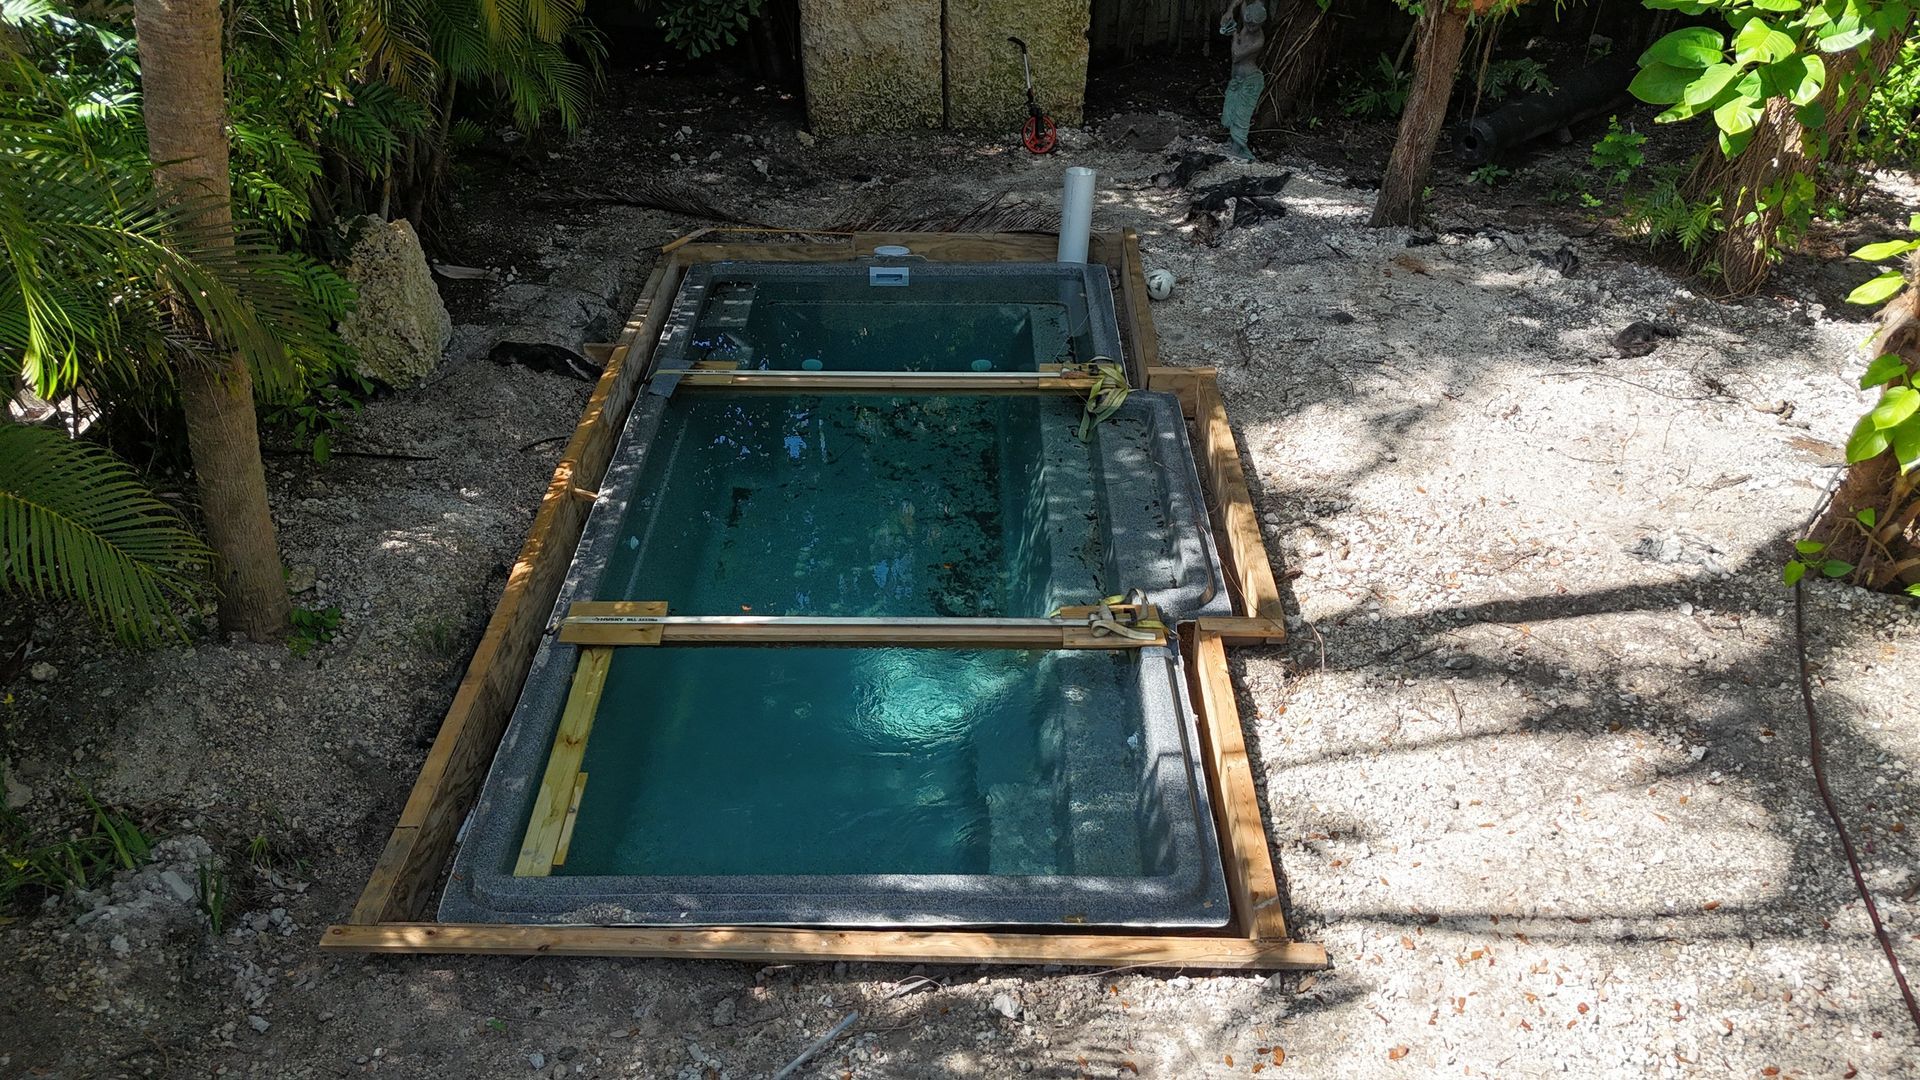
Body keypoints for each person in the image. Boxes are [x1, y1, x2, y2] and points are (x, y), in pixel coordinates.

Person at [1218, 0, 1267, 162]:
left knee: (1242, 115)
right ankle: (1232, 141)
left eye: (1254, 25)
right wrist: (1230, 10)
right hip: (1237, 78)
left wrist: (1234, 33)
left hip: (1251, 81)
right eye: (1248, 23)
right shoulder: (1247, 22)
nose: (1250, 27)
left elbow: (1237, 55)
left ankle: (1238, 147)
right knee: (1230, 110)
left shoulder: (1258, 40)